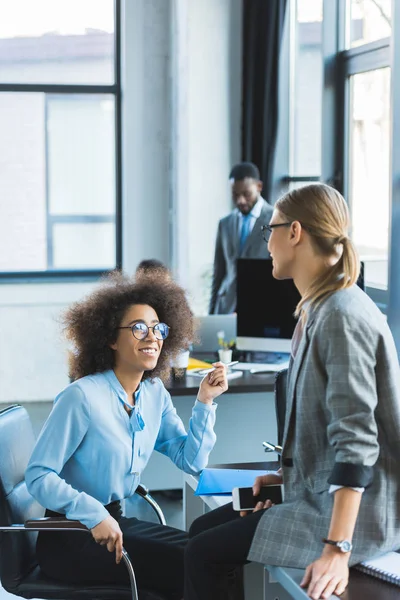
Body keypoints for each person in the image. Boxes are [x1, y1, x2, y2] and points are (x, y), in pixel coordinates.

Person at [185, 183, 400, 600]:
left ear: (295, 232)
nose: (268, 243)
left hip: (357, 518)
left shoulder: (340, 315)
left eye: (272, 230)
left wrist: (337, 548)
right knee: (200, 533)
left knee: (203, 553)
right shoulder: (319, 308)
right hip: (313, 495)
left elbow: (356, 444)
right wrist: (285, 479)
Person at [25, 271, 228, 599]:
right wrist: (94, 514)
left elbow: (191, 460)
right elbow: (38, 476)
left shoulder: (153, 392)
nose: (152, 337)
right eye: (138, 328)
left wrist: (205, 401)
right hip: (72, 536)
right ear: (110, 339)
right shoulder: (82, 397)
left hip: (118, 521)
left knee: (205, 553)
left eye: (157, 328)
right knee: (193, 565)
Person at [209, 161, 273, 314]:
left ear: (259, 187)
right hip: (226, 306)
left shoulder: (276, 220)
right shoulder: (224, 224)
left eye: (246, 194)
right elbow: (219, 272)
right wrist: (211, 314)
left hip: (261, 306)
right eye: (235, 195)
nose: (240, 201)